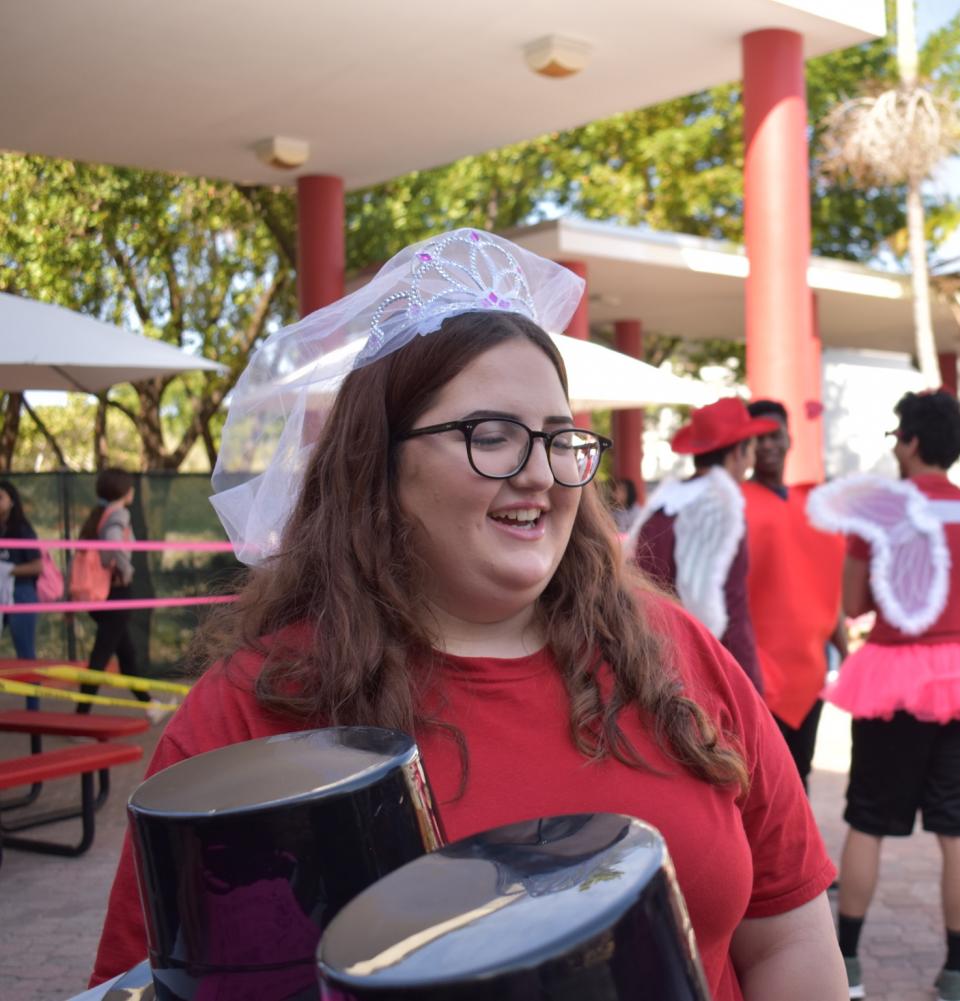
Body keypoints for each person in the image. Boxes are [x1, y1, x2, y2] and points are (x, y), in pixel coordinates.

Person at [90, 229, 846, 1001]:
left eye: (560, 439)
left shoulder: (675, 650)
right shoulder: (252, 708)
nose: (542, 476)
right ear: (377, 463)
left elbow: (786, 929)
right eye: (492, 437)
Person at [810, 389, 960, 1001]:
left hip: (890, 676)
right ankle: (958, 973)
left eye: (895, 437)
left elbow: (854, 604)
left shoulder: (885, 511)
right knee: (959, 824)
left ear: (910, 441)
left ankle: (849, 968)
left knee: (867, 819)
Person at [630, 398, 777, 692]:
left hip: (647, 657)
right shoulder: (721, 505)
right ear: (738, 452)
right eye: (750, 448)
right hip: (699, 667)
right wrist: (749, 685)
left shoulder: (661, 504)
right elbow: (729, 606)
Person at [740, 399, 845, 790]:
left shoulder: (815, 507)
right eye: (758, 438)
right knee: (755, 783)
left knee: (798, 780)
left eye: (775, 435)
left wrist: (846, 650)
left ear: (789, 439)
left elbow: (831, 587)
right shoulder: (734, 502)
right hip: (753, 670)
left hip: (809, 670)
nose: (768, 445)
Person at [76, 469, 152, 713]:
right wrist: (126, 569)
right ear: (124, 491)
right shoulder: (119, 513)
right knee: (100, 657)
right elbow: (113, 543)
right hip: (116, 594)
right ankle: (80, 716)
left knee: (126, 654)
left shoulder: (102, 513)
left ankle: (150, 705)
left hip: (105, 594)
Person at [0, 480, 42, 661]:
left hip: (21, 592)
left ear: (11, 501)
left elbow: (37, 566)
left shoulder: (22, 530)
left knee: (25, 653)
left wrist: (7, 570)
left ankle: (33, 690)